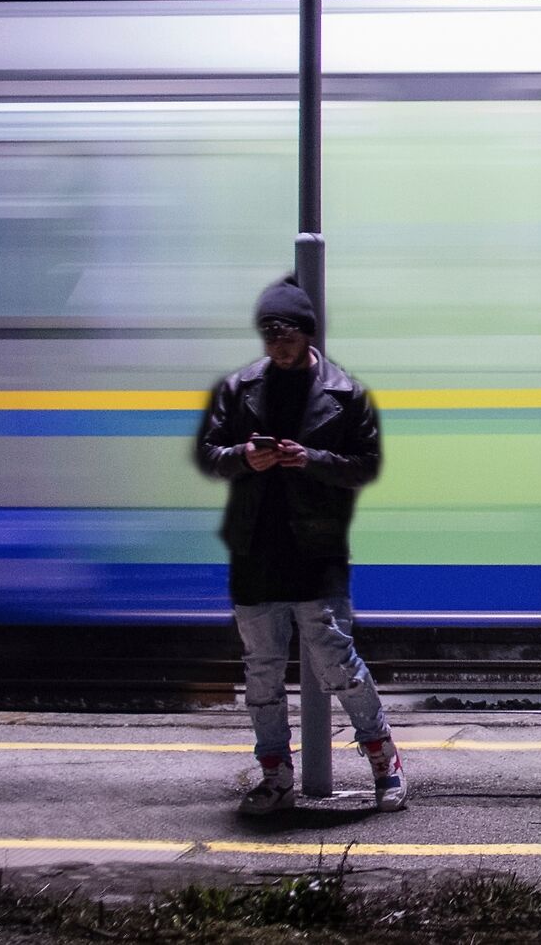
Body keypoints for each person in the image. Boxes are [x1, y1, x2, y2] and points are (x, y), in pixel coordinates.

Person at [194, 276, 406, 816]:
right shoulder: (238, 389)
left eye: (286, 332)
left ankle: (385, 762)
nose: (277, 343)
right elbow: (210, 453)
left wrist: (310, 459)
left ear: (307, 333)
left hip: (316, 552)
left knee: (339, 666)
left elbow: (367, 465)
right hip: (255, 550)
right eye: (268, 333)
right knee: (261, 674)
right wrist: (246, 454)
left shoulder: (346, 394)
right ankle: (276, 777)